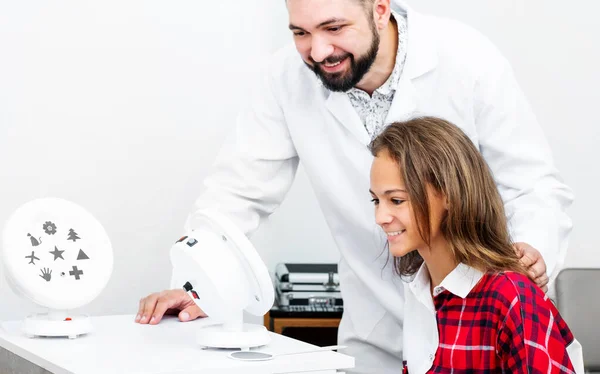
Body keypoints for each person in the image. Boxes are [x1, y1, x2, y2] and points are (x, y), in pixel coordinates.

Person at [136, 0, 574, 372]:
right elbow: (237, 190)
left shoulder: (466, 59)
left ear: (380, 9)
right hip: (376, 329)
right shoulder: (285, 78)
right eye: (300, 33)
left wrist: (532, 250)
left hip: (478, 317)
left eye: (334, 27)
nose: (318, 50)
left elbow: (531, 185)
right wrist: (198, 279)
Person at [369, 117, 583, 373]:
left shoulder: (511, 297)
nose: (380, 218)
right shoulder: (421, 291)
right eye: (376, 201)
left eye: (396, 200)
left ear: (448, 194)